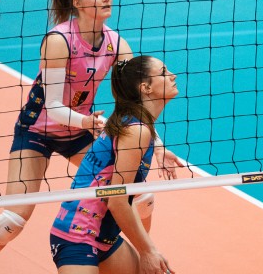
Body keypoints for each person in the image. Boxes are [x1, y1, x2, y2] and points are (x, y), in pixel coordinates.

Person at [0, 0, 180, 274]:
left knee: (141, 196)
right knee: (13, 219)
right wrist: (86, 121)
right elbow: (52, 106)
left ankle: (139, 257)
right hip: (37, 131)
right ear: (77, 2)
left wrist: (158, 147)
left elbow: (136, 99)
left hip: (79, 132)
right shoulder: (59, 41)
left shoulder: (116, 44)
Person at [49, 55, 178, 273]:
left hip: (105, 238)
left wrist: (148, 249)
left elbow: (123, 197)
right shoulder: (136, 131)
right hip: (77, 236)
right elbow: (117, 201)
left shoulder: (136, 124)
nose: (173, 76)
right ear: (146, 88)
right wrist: (147, 250)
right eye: (164, 73)